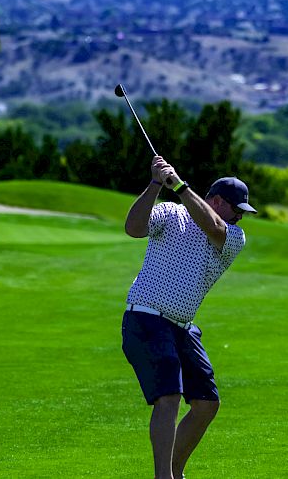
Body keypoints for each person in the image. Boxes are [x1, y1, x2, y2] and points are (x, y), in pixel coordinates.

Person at [122, 155, 257, 479]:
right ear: (216, 200)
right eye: (236, 208)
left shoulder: (232, 236)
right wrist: (156, 183)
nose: (240, 215)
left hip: (181, 328)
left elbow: (212, 225)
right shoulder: (171, 213)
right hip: (146, 317)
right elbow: (133, 228)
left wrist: (179, 185)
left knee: (206, 404)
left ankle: (175, 470)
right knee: (168, 396)